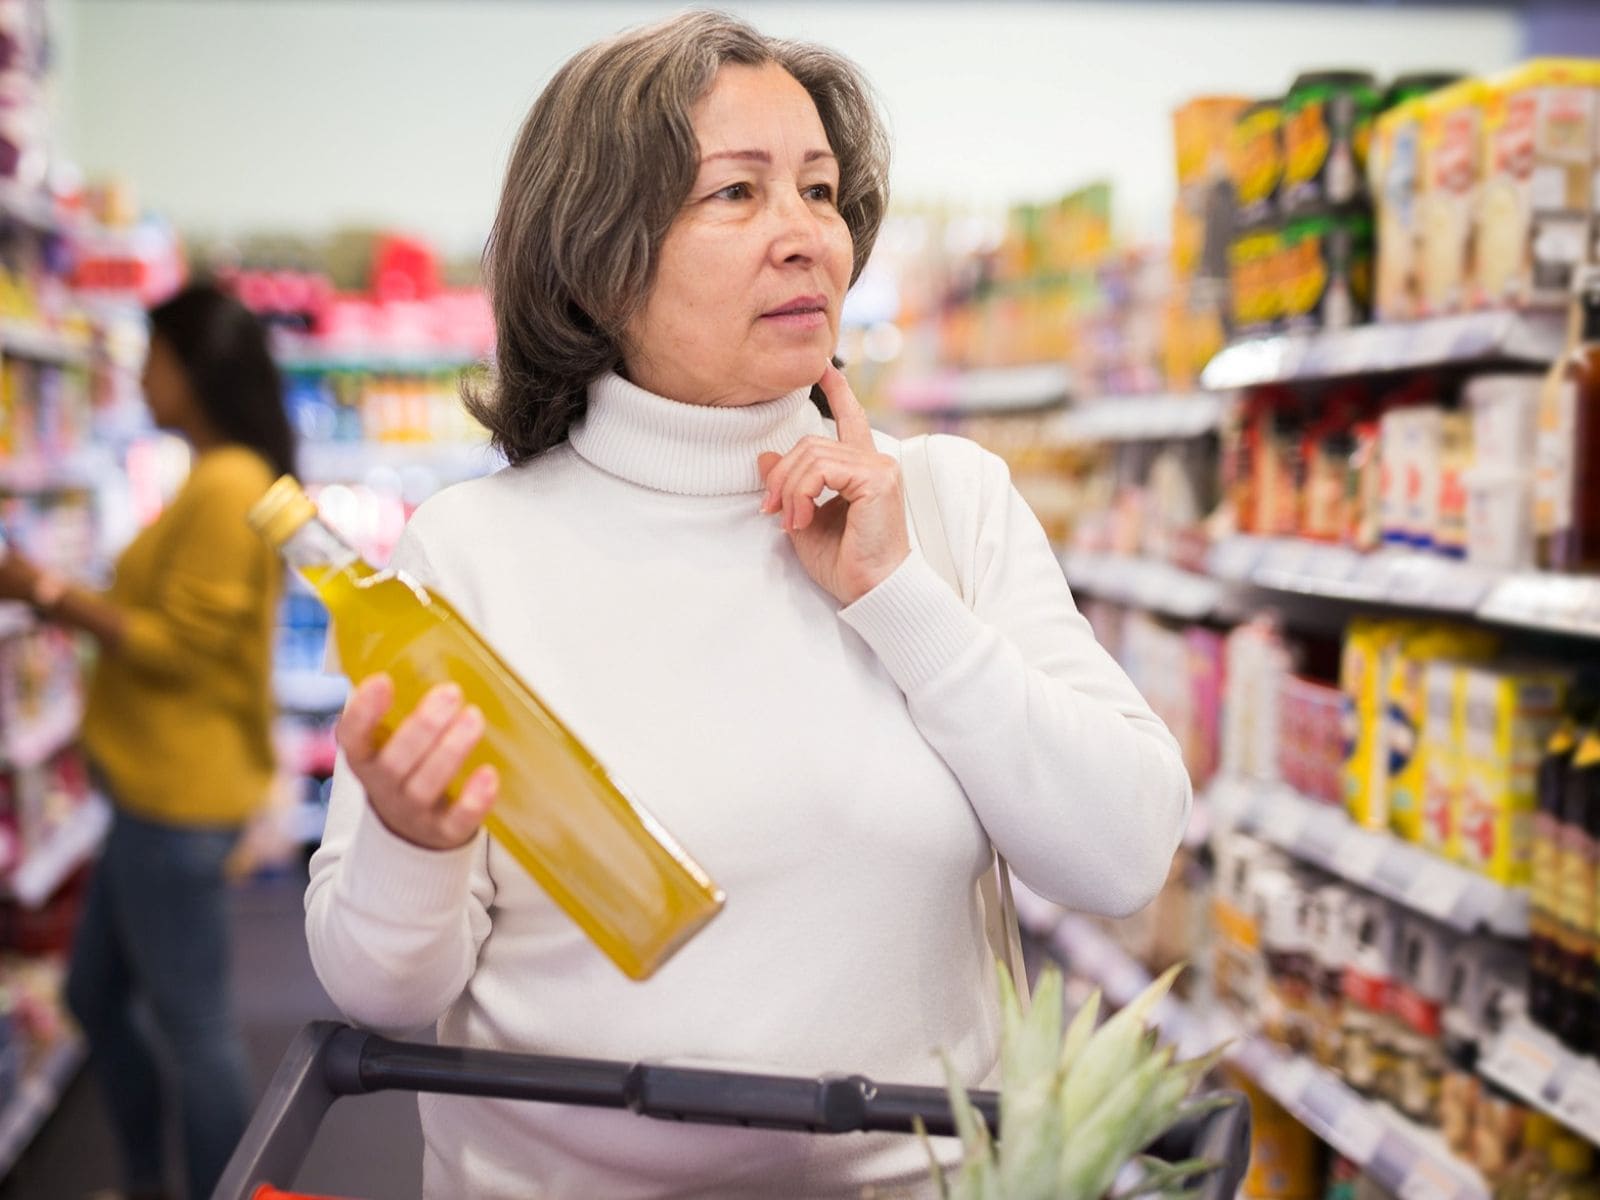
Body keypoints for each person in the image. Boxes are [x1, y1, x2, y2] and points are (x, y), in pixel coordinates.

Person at [307, 11, 1190, 1199]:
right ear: (598, 254)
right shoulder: (473, 556)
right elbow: (381, 993)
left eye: (821, 192)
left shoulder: (947, 501)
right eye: (736, 194)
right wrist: (415, 842)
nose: (806, 239)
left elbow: (1124, 852)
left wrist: (898, 597)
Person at [0, 284, 293, 1200]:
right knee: (95, 998)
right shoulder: (220, 476)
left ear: (193, 368)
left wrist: (46, 592)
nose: (138, 375)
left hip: (179, 798)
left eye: (152, 356)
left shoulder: (227, 485)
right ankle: (143, 1183)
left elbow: (178, 650)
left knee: (198, 1029)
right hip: (154, 793)